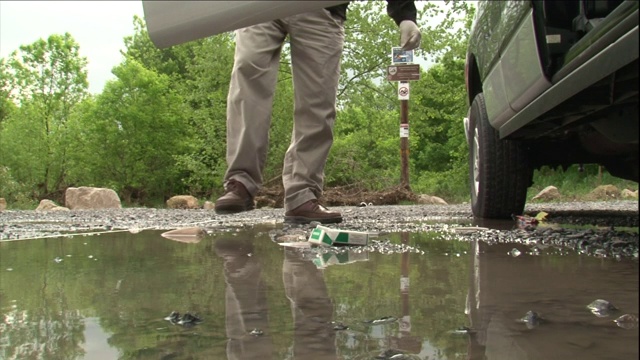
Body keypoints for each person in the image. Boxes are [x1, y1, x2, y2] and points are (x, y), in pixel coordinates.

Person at [214, 1, 422, 224]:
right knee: (247, 80)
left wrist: (405, 14)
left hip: (322, 8)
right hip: (258, 5)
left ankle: (302, 193)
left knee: (318, 101)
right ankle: (241, 182)